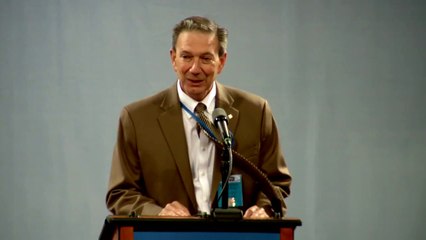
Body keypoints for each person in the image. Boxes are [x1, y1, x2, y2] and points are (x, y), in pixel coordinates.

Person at [106, 16, 291, 219]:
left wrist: (263, 209)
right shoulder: (137, 118)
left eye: (205, 58)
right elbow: (120, 193)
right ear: (173, 59)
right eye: (186, 57)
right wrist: (158, 214)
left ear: (221, 61)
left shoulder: (256, 112)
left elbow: (276, 181)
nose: (195, 69)